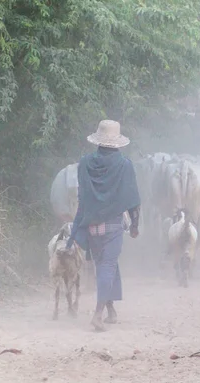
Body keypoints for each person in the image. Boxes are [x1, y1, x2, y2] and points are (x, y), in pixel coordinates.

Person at [67, 120, 141, 332]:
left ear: (98, 141)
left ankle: (110, 311)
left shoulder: (85, 163)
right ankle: (98, 314)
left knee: (105, 266)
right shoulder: (124, 165)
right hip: (114, 226)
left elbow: (82, 196)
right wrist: (135, 224)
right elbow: (133, 198)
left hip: (91, 226)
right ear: (117, 143)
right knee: (107, 266)